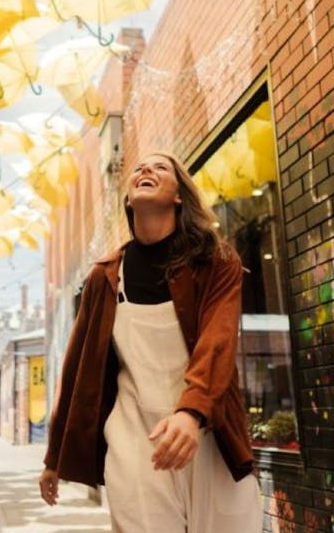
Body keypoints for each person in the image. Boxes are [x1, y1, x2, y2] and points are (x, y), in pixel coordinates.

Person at [39, 152, 262, 531]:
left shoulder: (216, 261)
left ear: (179, 195)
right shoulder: (105, 276)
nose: (145, 170)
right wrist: (54, 457)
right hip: (134, 440)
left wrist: (191, 413)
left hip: (209, 433)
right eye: (139, 168)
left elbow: (218, 341)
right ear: (128, 200)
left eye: (160, 167)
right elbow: (77, 369)